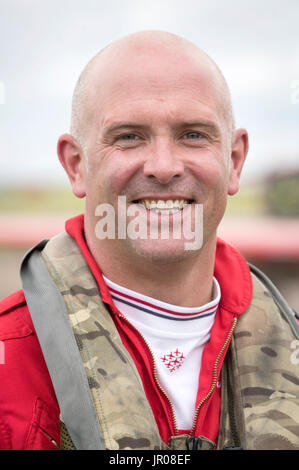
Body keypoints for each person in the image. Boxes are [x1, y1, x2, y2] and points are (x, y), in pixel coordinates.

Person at [0, 30, 298, 451]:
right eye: (128, 136)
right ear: (76, 165)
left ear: (233, 162)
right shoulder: (7, 357)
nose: (163, 166)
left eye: (193, 134)